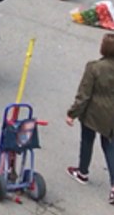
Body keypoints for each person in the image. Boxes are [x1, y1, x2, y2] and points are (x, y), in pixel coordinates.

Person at [67, 33, 114, 203]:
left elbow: (84, 95)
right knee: (109, 146)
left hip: (93, 114)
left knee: (87, 141)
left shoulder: (94, 68)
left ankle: (82, 172)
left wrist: (72, 114)